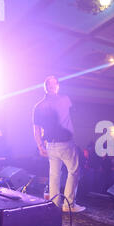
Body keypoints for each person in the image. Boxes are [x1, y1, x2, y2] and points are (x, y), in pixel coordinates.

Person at [33, 76, 85, 213]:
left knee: (54, 175)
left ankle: (54, 203)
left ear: (45, 87)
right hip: (65, 143)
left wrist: (40, 146)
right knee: (73, 171)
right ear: (56, 86)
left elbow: (36, 128)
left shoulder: (38, 106)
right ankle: (69, 205)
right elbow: (74, 114)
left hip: (50, 145)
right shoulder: (65, 99)